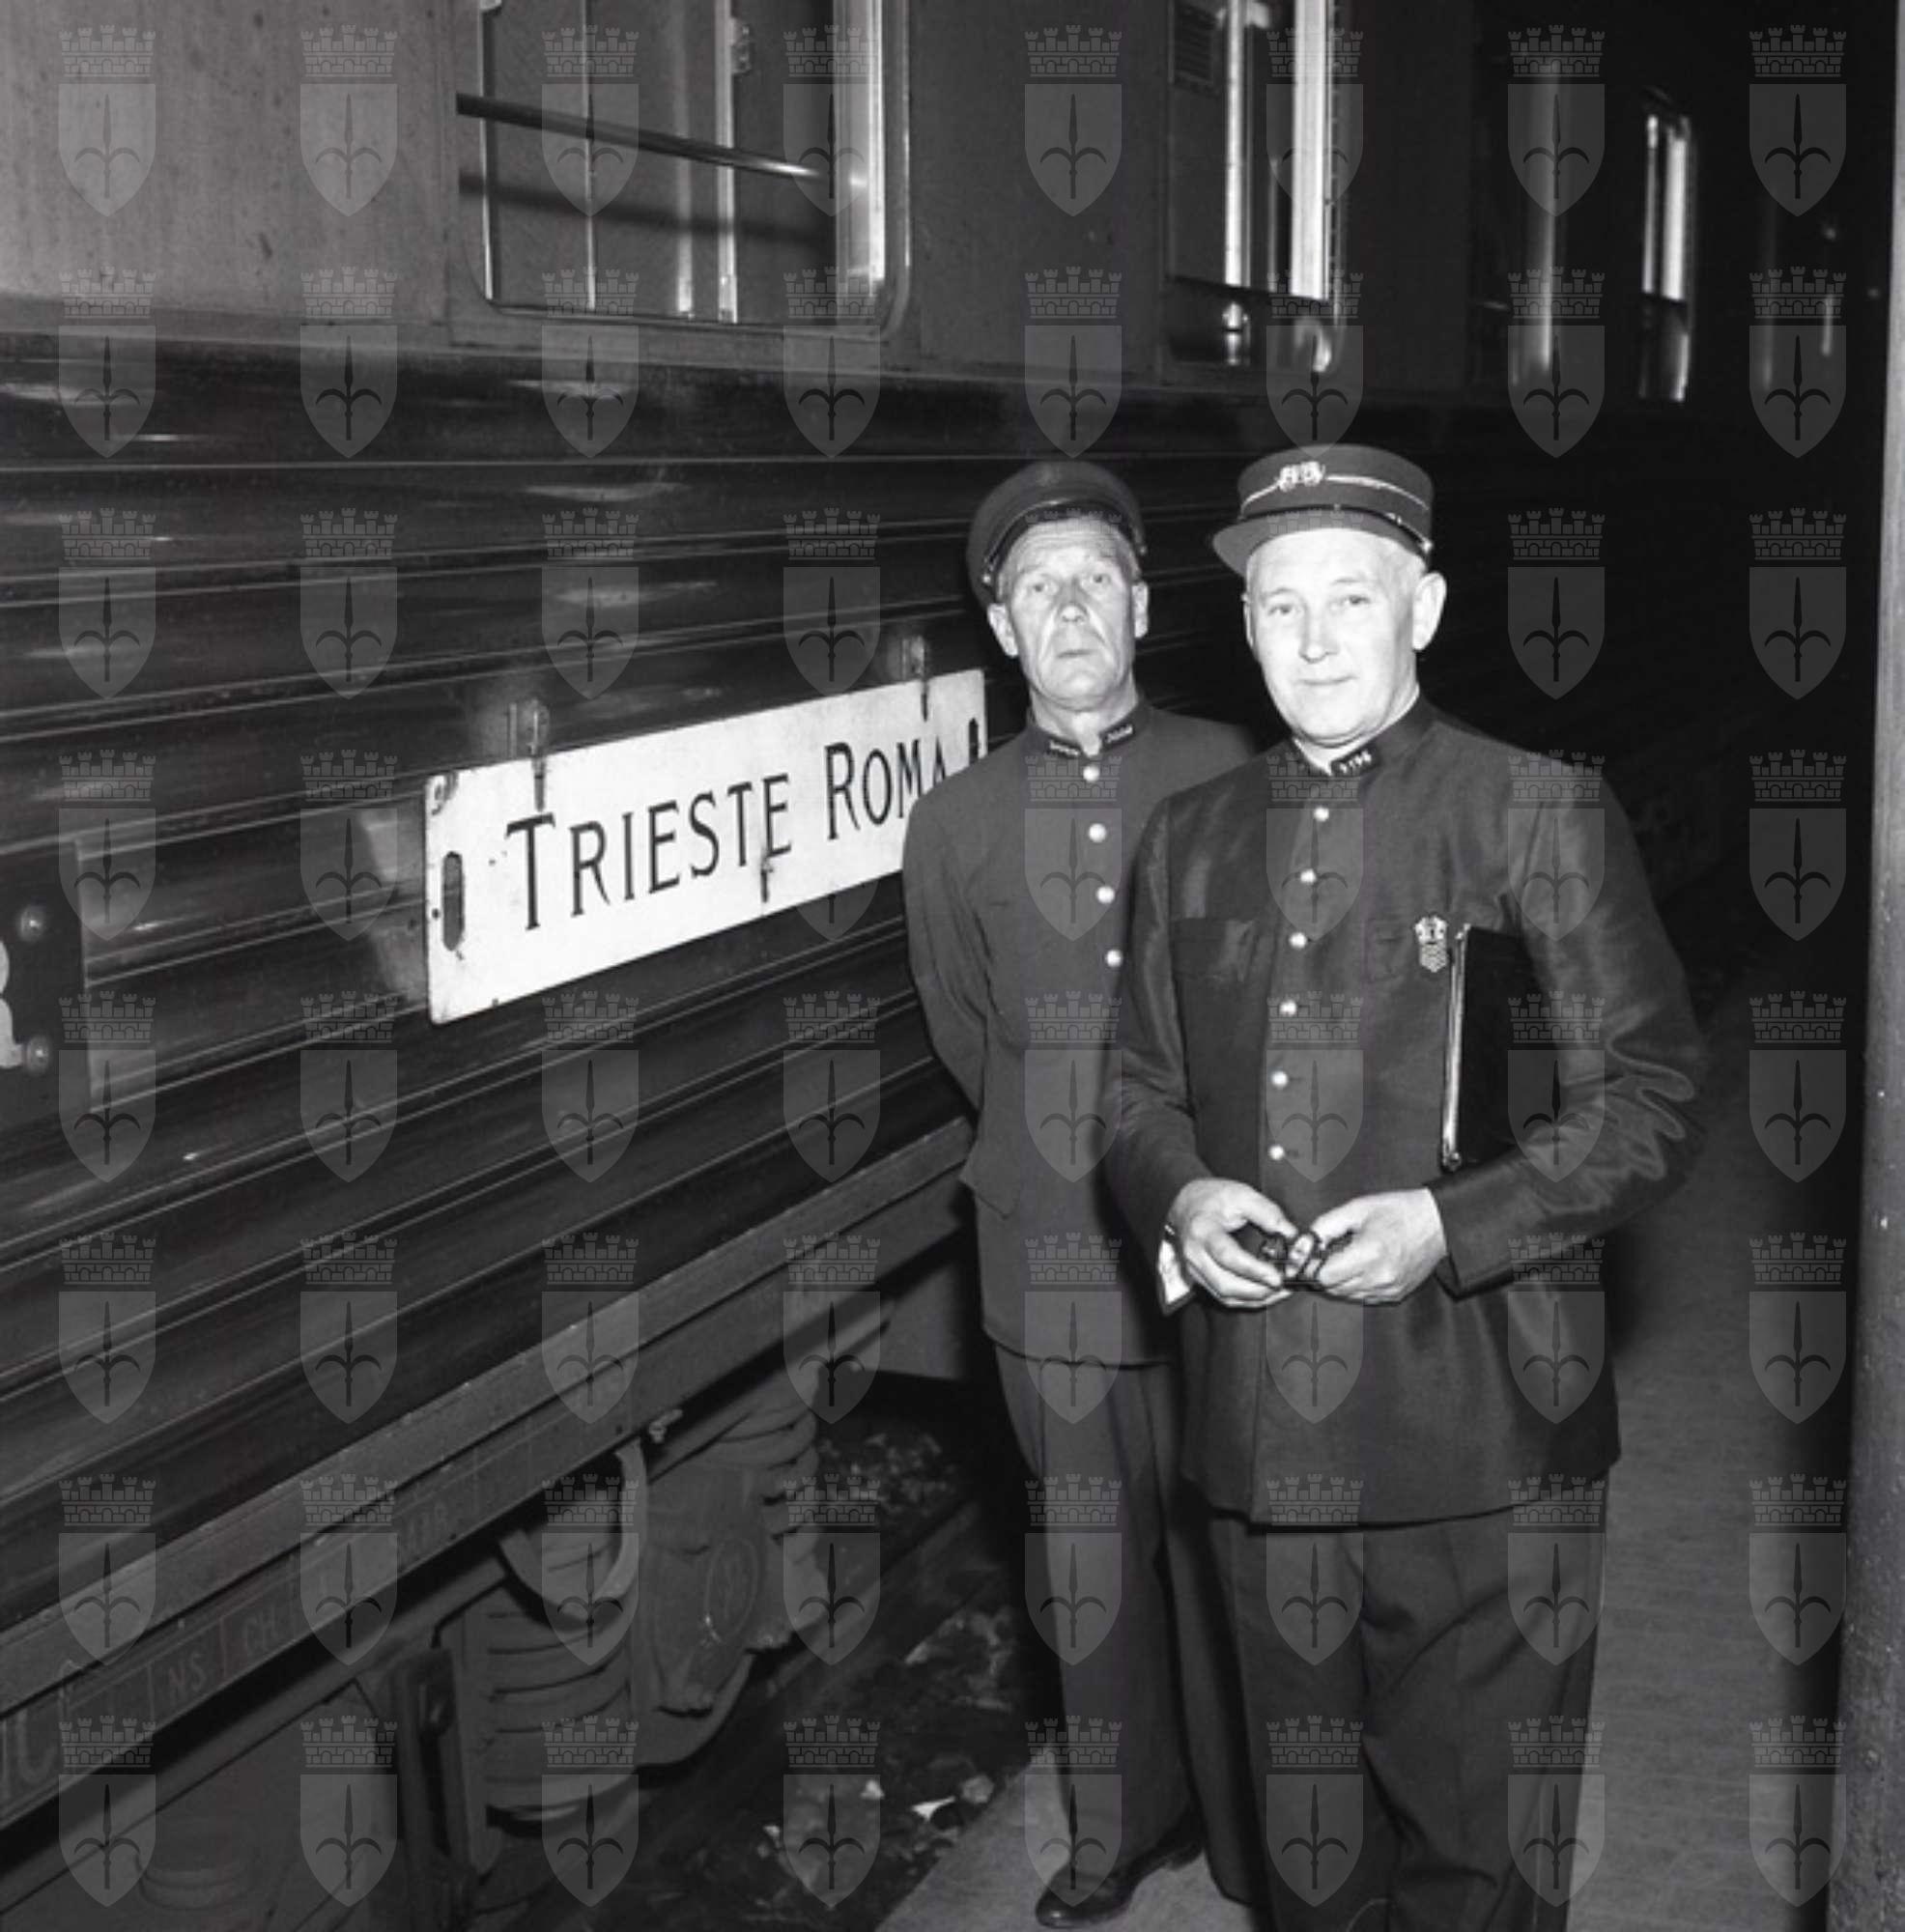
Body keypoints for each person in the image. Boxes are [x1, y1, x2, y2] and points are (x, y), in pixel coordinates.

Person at [1104, 446, 1706, 1930]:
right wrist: (1182, 1199)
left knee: (1481, 1865)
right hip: (1262, 1445)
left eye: (1352, 599)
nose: (1313, 640)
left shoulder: (1532, 812)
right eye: (1281, 606)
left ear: (1423, 609)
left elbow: (1653, 1099)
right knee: (1310, 1863)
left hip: (1485, 1434)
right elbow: (1132, 1093)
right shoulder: (1189, 840)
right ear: (1246, 628)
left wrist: (1452, 1224)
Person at [902, 460, 1262, 1925]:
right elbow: (963, 1027)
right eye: (1037, 587)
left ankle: (1248, 1832)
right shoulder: (956, 821)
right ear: (1002, 628)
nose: (1068, 607)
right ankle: (1120, 1834)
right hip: (1049, 1245)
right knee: (1089, 1562)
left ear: (1142, 608)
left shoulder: (1233, 768)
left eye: (1094, 579)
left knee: (1232, 1546)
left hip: (1225, 1238)